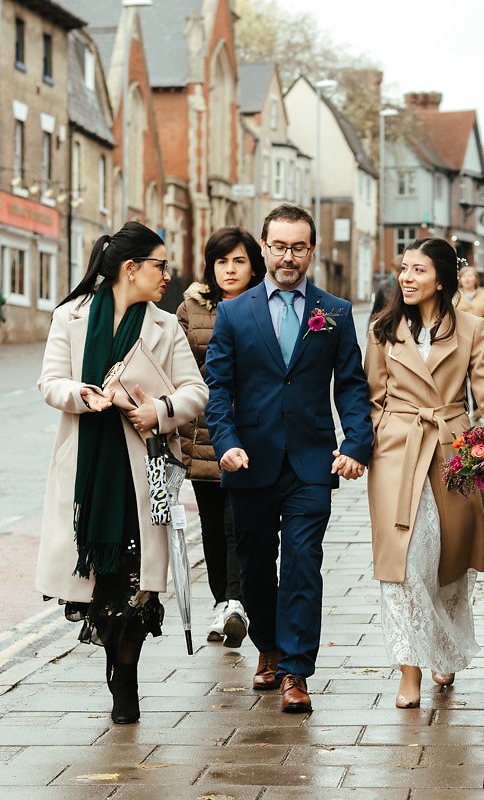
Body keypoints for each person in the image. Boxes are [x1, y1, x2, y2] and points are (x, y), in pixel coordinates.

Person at [35, 221, 208, 725]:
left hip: (146, 468)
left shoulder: (164, 325)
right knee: (101, 579)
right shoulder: (70, 317)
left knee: (140, 581)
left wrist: (161, 409)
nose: (167, 275)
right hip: (89, 467)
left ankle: (126, 677)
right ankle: (118, 666)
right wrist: (82, 395)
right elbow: (49, 383)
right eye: (160, 265)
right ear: (131, 269)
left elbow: (195, 391)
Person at [204, 203, 373, 713]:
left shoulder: (335, 313)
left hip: (310, 463)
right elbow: (219, 388)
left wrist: (355, 444)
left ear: (312, 251)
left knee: (303, 562)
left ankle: (296, 670)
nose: (288, 257)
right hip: (248, 460)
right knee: (255, 568)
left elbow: (352, 386)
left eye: (298, 247)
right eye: (278, 246)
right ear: (264, 248)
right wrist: (225, 440)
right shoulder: (234, 312)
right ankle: (269, 649)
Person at [365, 236, 484, 709]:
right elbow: (370, 396)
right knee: (405, 564)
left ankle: (444, 647)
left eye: (418, 270)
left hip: (453, 448)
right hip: (398, 451)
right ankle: (409, 670)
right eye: (404, 269)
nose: (407, 278)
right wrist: (377, 437)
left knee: (448, 557)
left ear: (442, 279)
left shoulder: (470, 328)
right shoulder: (382, 329)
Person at [176, 227, 260, 648]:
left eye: (238, 261)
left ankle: (236, 602)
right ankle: (222, 602)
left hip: (248, 433)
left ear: (252, 265)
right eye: (221, 261)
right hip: (201, 435)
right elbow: (173, 367)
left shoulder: (263, 304)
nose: (230, 269)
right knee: (211, 526)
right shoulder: (191, 308)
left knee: (236, 523)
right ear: (210, 265)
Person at [453, 263, 484, 418]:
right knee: (460, 376)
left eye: (470, 276)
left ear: (476, 279)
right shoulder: (455, 296)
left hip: (480, 342)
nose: (467, 279)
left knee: (479, 374)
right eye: (464, 276)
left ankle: (479, 408)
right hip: (459, 341)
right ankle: (462, 408)